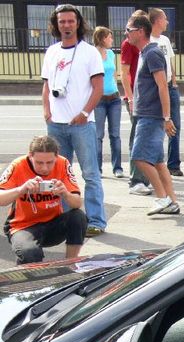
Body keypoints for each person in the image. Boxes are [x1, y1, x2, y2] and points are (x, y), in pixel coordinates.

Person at [41, 3, 106, 237]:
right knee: (59, 175)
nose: (66, 25)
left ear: (78, 23)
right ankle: (68, 219)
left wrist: (85, 113)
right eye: (62, 22)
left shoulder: (89, 52)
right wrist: (46, 110)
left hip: (82, 125)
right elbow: (46, 85)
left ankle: (96, 220)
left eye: (70, 21)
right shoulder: (51, 52)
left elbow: (98, 88)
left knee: (90, 174)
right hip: (56, 125)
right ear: (56, 25)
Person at [0, 135, 85, 265]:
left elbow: (77, 203)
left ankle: (70, 264)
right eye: (39, 163)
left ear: (56, 156)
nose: (45, 168)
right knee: (30, 252)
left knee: (78, 217)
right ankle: (27, 274)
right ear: (30, 156)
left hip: (53, 224)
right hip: (23, 226)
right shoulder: (18, 165)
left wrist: (65, 193)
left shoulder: (62, 163)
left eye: (50, 162)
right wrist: (21, 189)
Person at [127, 13, 180, 216]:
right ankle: (172, 201)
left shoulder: (152, 53)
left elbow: (163, 86)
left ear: (140, 31)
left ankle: (162, 198)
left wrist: (166, 118)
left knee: (139, 157)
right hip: (148, 115)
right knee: (158, 162)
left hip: (150, 116)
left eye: (129, 30)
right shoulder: (146, 53)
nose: (126, 33)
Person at [120, 10, 152, 197]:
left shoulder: (150, 44)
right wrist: (130, 98)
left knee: (147, 139)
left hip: (146, 99)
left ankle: (145, 178)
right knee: (138, 139)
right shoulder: (128, 44)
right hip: (136, 99)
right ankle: (136, 180)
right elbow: (124, 73)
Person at [149, 8, 182, 177]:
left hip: (170, 86)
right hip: (155, 88)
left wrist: (174, 82)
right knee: (157, 126)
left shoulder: (165, 40)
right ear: (157, 21)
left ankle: (173, 164)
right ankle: (155, 162)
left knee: (175, 125)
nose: (167, 22)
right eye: (165, 19)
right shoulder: (148, 40)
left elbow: (170, 62)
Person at [92, 26, 123, 179]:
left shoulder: (111, 54)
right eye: (109, 37)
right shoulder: (92, 55)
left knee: (115, 134)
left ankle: (117, 167)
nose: (112, 40)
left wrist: (116, 86)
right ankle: (97, 168)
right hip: (99, 99)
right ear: (102, 38)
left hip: (114, 98)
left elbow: (113, 73)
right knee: (98, 135)